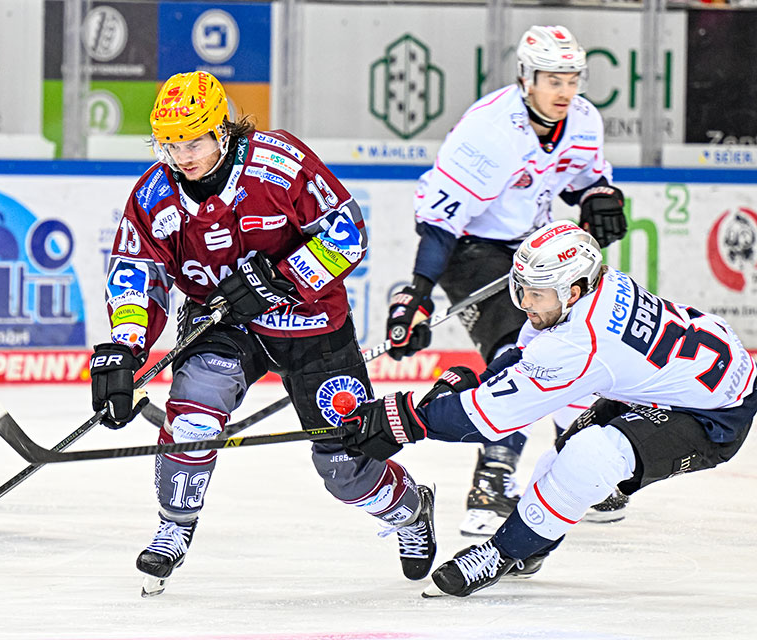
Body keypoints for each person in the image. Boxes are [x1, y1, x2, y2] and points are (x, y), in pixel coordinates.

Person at [92, 70, 437, 597]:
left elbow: (347, 234)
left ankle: (411, 510)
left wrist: (279, 279)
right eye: (170, 143)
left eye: (194, 141)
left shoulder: (279, 165)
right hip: (224, 325)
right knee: (193, 414)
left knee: (345, 465)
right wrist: (123, 347)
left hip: (312, 321)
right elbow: (136, 272)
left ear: (222, 132)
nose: (181, 155)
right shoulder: (153, 195)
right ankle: (174, 527)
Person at [342, 221, 756, 597]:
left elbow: (486, 420)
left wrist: (401, 418)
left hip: (715, 415)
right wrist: (483, 378)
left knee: (589, 457)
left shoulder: (582, 339)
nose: (524, 303)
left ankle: (502, 553)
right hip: (685, 381)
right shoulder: (596, 287)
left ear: (572, 291)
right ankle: (532, 546)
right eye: (520, 289)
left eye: (535, 294)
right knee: (560, 456)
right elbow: (526, 353)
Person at [385, 25, 629, 535]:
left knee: (578, 339)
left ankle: (575, 467)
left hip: (534, 248)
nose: (564, 91)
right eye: (552, 80)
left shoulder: (584, 120)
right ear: (526, 77)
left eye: (572, 79)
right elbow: (440, 221)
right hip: (470, 249)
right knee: (516, 351)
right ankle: (490, 486)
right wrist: (419, 293)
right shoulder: (489, 132)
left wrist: (599, 197)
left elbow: (584, 178)